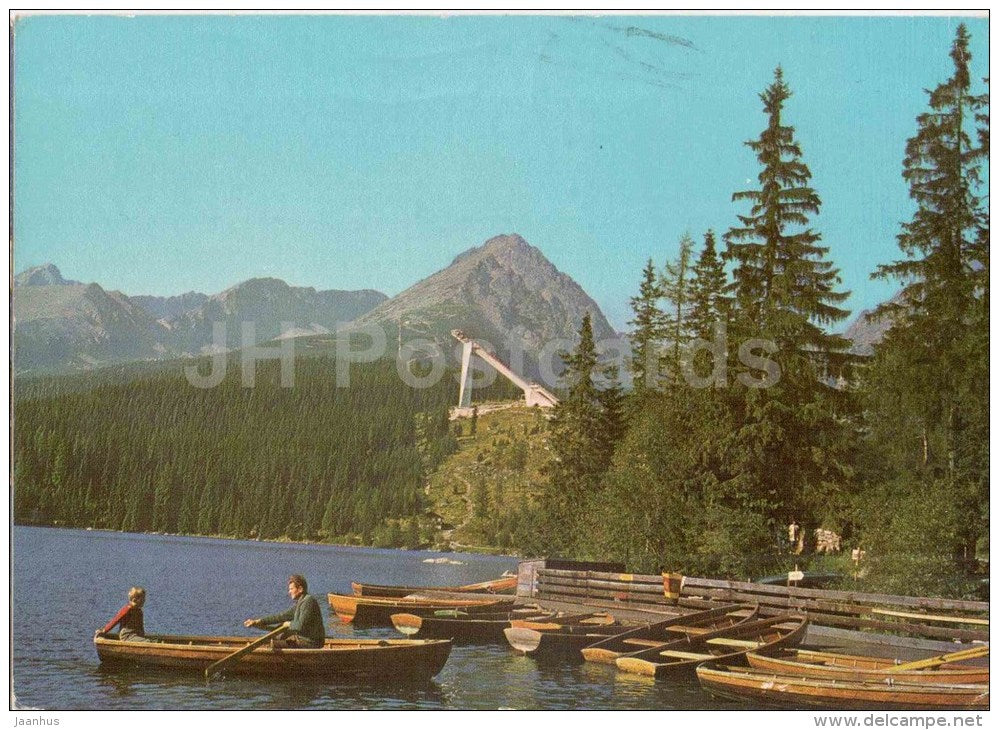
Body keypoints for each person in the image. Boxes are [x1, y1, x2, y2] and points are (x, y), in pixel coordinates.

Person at [244, 574, 325, 648]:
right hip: (302, 640)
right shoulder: (301, 602)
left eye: (291, 589)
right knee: (278, 636)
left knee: (274, 644)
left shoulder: (308, 601)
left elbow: (300, 626)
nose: (289, 592)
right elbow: (281, 616)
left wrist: (288, 624)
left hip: (312, 643)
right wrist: (258, 621)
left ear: (300, 589)